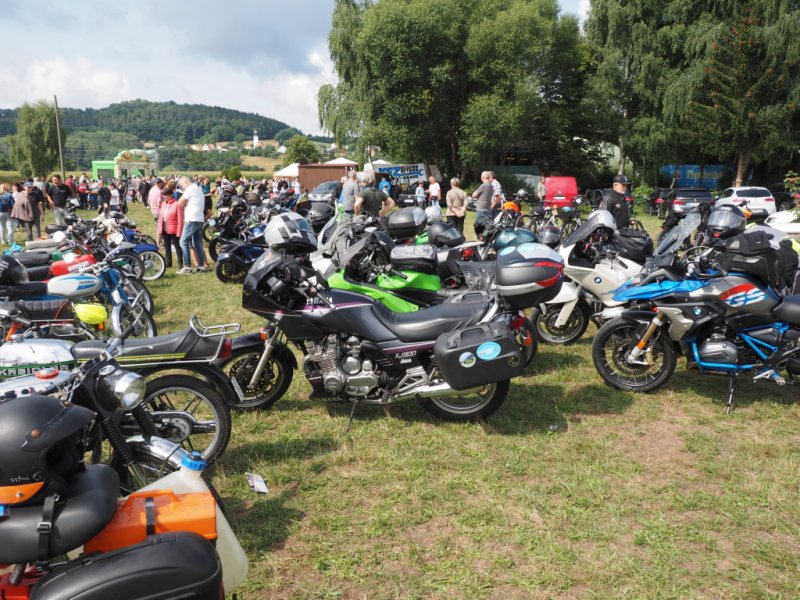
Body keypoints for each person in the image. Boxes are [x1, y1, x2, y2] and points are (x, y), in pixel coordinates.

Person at [177, 175, 208, 274]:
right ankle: (201, 266)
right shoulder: (198, 188)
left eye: (182, 186)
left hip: (192, 219)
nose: (182, 188)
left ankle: (187, 267)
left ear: (186, 182)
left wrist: (184, 199)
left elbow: (180, 203)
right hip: (199, 219)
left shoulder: (190, 189)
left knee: (183, 241)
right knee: (197, 243)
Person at [158, 191, 185, 271]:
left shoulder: (177, 204)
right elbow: (160, 217)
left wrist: (179, 232)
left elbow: (180, 219)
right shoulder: (163, 204)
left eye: (166, 195)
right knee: (167, 246)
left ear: (171, 195)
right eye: (164, 195)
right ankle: (168, 263)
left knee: (177, 246)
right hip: (165, 228)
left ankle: (180, 264)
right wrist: (159, 229)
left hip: (174, 229)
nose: (165, 197)